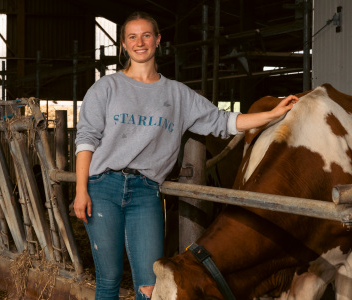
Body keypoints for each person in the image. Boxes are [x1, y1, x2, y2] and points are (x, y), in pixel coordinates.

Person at [74, 11, 299, 300]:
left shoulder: (178, 94)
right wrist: (81, 191)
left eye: (146, 35)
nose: (139, 42)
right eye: (132, 36)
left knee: (149, 284)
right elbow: (86, 138)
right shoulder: (106, 88)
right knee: (109, 280)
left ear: (157, 40)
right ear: (123, 44)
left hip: (146, 191)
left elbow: (223, 122)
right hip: (103, 186)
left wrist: (271, 114)